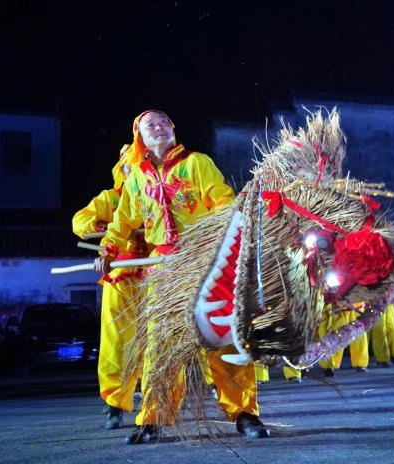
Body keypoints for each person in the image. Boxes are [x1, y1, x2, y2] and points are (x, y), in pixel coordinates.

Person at [98, 110, 268, 444]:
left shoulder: (197, 164)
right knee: (161, 347)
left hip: (203, 263)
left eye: (164, 123)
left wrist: (220, 240)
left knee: (222, 337)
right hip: (163, 271)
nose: (159, 127)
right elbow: (122, 221)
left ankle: (245, 414)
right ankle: (153, 419)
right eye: (151, 125)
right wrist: (107, 250)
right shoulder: (136, 180)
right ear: (140, 138)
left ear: (173, 129)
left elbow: (223, 203)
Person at [72, 144, 147, 430]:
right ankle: (115, 404)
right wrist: (107, 227)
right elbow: (79, 222)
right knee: (117, 341)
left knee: (156, 340)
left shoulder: (159, 193)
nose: (136, 172)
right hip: (122, 275)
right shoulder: (112, 198)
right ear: (122, 170)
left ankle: (157, 404)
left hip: (158, 274)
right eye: (131, 167)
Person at [318, 302, 369, 376]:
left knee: (360, 337)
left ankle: (360, 363)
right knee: (338, 336)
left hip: (357, 306)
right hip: (340, 309)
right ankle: (332, 364)